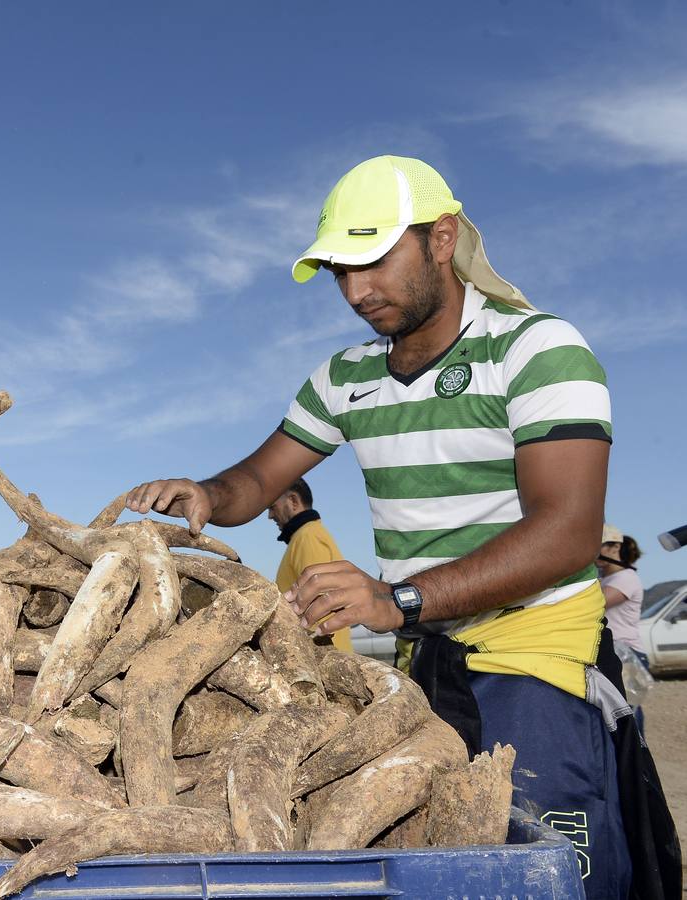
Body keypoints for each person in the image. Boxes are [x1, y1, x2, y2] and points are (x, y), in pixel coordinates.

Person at [125, 155, 676, 899]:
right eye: (339, 273)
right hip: (429, 663)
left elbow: (568, 532)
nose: (356, 292)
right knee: (432, 866)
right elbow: (257, 481)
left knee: (547, 870)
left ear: (442, 239)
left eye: (374, 262)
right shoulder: (345, 377)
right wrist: (205, 492)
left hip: (537, 655)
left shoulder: (536, 350)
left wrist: (399, 600)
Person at [267, 478, 351, 651]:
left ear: (293, 501)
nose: (270, 515)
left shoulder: (307, 537)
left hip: (324, 658)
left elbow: (320, 605)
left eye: (272, 506)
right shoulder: (305, 536)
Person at [597, 524, 646, 663]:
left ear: (616, 547)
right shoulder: (603, 579)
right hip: (611, 650)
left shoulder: (626, 578)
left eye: (598, 547)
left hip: (626, 652)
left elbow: (595, 603)